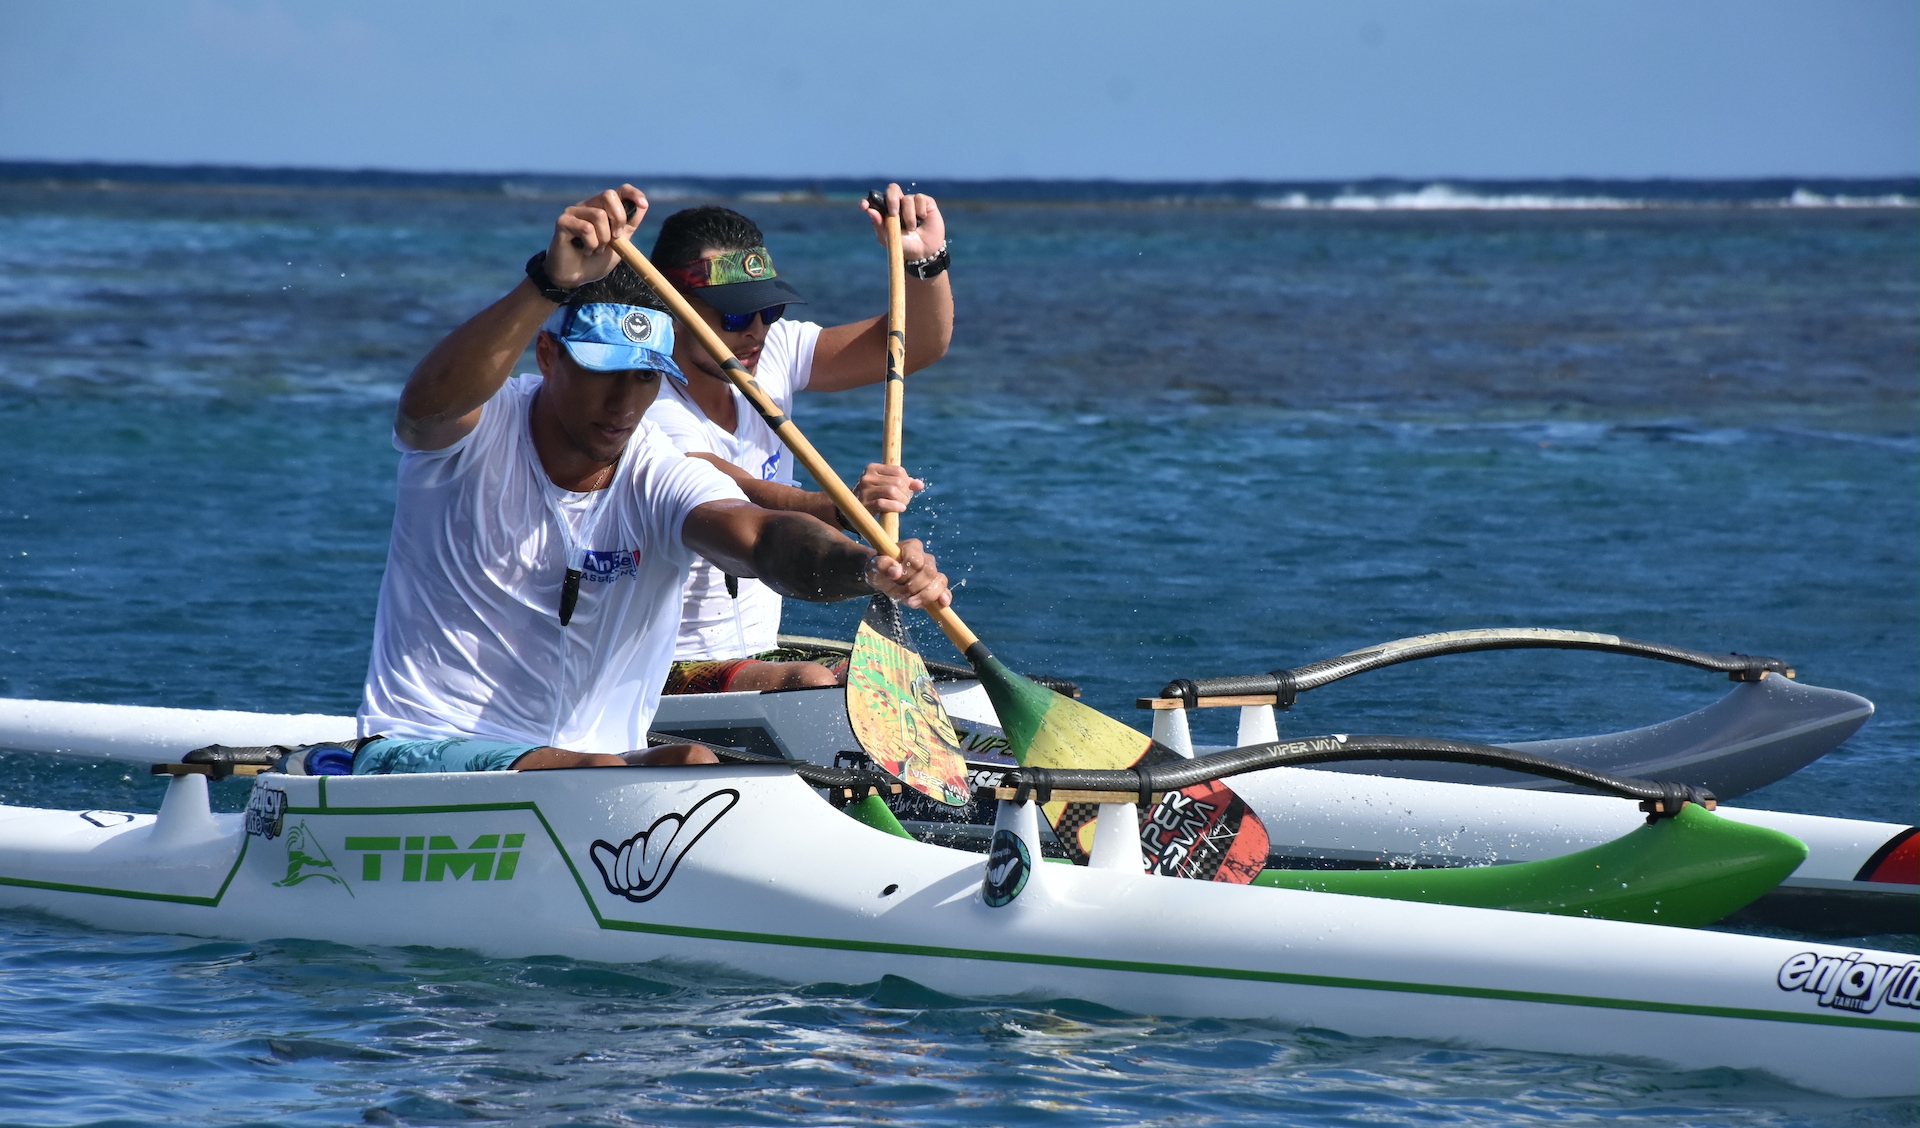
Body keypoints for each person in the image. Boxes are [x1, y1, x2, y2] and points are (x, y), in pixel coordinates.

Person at [352, 186, 950, 774]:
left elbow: (762, 537)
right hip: (424, 748)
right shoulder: (474, 435)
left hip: (596, 767)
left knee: (690, 761)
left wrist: (868, 569)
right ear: (548, 357)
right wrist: (548, 283)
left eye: (644, 377)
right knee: (611, 769)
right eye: (602, 371)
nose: (623, 404)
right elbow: (424, 409)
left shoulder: (651, 466)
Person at [644, 184, 952, 694]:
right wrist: (848, 510)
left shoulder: (770, 352)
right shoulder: (646, 401)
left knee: (886, 677)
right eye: (734, 315)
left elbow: (914, 344)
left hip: (756, 652)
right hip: (663, 665)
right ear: (672, 308)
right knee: (813, 680)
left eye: (769, 310)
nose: (756, 331)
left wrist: (924, 262)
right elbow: (748, 498)